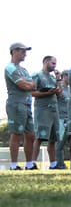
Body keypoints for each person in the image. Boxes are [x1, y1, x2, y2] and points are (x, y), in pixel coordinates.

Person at [5, 42, 36, 170]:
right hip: (16, 104)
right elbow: (24, 85)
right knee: (16, 134)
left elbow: (32, 85)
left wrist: (28, 84)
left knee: (30, 135)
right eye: (23, 51)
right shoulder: (10, 68)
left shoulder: (23, 70)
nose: (25, 54)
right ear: (14, 51)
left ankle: (29, 164)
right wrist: (28, 85)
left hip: (27, 104)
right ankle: (13, 165)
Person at [31, 55, 61, 170]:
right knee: (39, 137)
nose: (55, 66)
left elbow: (59, 93)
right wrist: (47, 93)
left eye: (55, 63)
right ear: (45, 62)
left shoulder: (53, 78)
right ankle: (32, 163)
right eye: (53, 63)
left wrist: (58, 80)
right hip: (42, 110)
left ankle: (53, 164)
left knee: (53, 138)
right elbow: (32, 93)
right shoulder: (37, 75)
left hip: (54, 110)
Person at [54, 70, 71, 169]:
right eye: (69, 76)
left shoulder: (70, 90)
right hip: (61, 119)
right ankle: (60, 164)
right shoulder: (60, 88)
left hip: (70, 120)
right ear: (64, 76)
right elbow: (59, 94)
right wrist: (58, 78)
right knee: (60, 144)